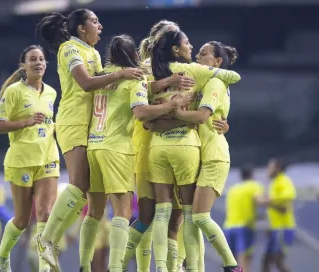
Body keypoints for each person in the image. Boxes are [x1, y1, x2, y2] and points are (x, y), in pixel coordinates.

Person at [34, 9, 143, 270]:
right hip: (73, 122)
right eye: (94, 22)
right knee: (78, 185)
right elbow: (85, 83)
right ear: (81, 28)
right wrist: (121, 74)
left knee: (88, 198)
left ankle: (71, 255)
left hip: (92, 128)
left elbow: (102, 82)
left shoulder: (92, 52)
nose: (100, 26)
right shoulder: (70, 49)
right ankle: (46, 238)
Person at [79, 34, 191, 272]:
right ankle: (116, 268)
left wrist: (165, 82)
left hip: (93, 145)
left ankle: (83, 267)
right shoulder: (134, 79)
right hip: (117, 147)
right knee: (122, 212)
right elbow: (140, 112)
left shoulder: (101, 76)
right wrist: (170, 105)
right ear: (135, 56)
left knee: (94, 212)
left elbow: (135, 90)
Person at [149, 33, 241, 272]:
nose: (198, 56)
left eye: (203, 53)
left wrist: (172, 112)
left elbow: (202, 117)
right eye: (197, 52)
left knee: (198, 216)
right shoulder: (200, 81)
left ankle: (232, 266)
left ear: (217, 62)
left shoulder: (215, 82)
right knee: (187, 217)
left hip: (214, 157)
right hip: (197, 154)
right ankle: (186, 265)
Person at [123, 20, 203, 272]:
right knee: (149, 214)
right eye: (173, 36)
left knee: (175, 216)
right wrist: (169, 84)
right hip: (147, 146)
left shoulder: (185, 70)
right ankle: (123, 265)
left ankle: (174, 266)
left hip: (174, 142)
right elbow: (139, 102)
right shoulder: (145, 69)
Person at [0, 45, 60, 272]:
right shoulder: (13, 92)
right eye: (33, 59)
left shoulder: (51, 92)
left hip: (48, 158)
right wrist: (25, 122)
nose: (38, 63)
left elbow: (48, 123)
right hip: (21, 160)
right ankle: (2, 254)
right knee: (22, 220)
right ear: (24, 65)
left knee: (45, 214)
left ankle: (44, 268)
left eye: (41, 59)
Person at [256, 158, 296, 272]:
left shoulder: (284, 181)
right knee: (267, 261)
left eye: (270, 167)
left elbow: (285, 204)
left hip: (283, 227)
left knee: (277, 260)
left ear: (277, 168)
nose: (267, 170)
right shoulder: (274, 183)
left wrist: (266, 201)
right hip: (275, 227)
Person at [224, 165, 263, 272]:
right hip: (244, 227)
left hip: (229, 226)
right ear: (252, 175)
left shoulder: (233, 189)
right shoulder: (253, 186)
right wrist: (276, 204)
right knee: (244, 258)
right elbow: (259, 200)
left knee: (230, 261)